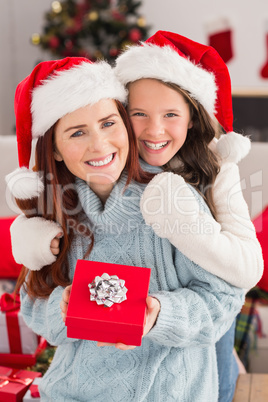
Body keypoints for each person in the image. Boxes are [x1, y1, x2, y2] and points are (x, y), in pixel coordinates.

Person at [9, 32, 263, 402]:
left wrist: (158, 314)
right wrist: (63, 310)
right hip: (70, 391)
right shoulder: (58, 209)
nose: (99, 145)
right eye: (77, 133)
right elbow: (34, 300)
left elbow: (223, 300)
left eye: (109, 124)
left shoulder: (175, 198)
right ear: (57, 150)